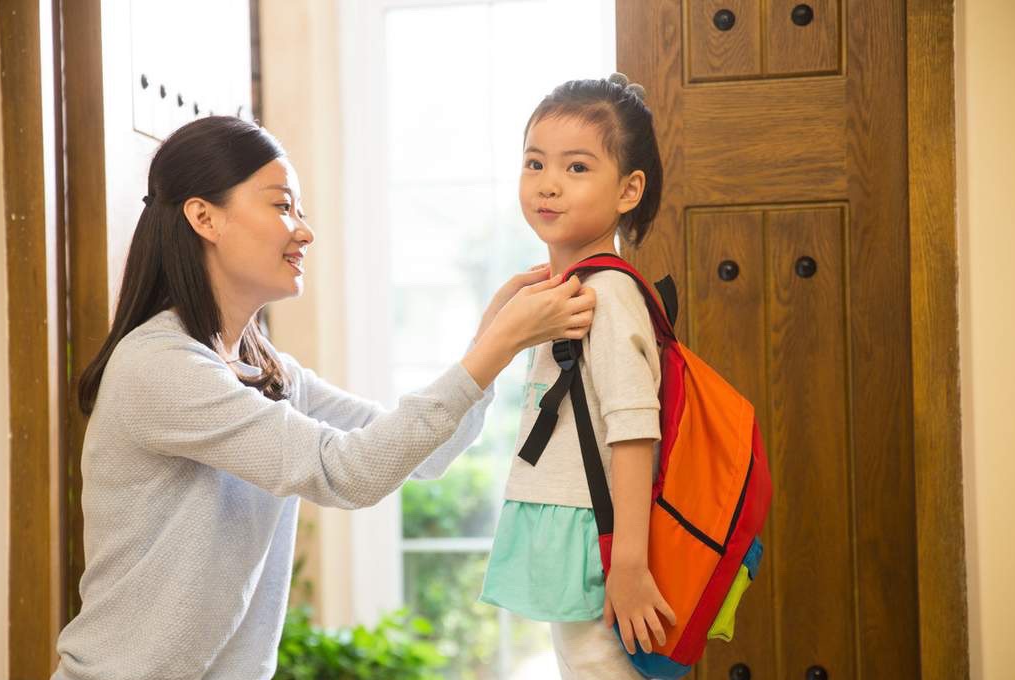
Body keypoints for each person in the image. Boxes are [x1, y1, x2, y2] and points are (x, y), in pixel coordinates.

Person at [51, 115, 596, 680]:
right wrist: (502, 343)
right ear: (204, 217)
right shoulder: (160, 367)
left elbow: (429, 453)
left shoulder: (269, 374)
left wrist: (490, 341)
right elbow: (346, 472)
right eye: (282, 205)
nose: (304, 231)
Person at [478, 74, 676, 678]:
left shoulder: (608, 294)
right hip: (581, 536)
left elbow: (635, 430)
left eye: (578, 167)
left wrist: (630, 565)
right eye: (534, 163)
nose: (549, 183)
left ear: (629, 190)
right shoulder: (566, 291)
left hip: (604, 544)